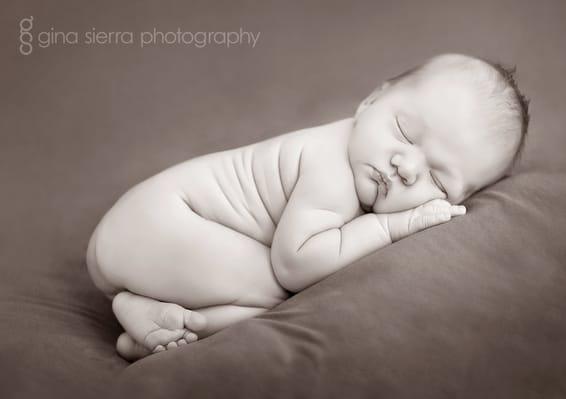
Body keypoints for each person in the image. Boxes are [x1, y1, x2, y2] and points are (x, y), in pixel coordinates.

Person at [86, 53, 529, 361]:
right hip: (162, 223)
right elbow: (296, 262)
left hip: (149, 237)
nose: (407, 167)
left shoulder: (362, 159)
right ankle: (168, 314)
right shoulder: (332, 166)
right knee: (292, 291)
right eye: (405, 132)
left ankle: (149, 314)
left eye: (437, 178)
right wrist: (395, 227)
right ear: (372, 100)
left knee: (275, 297)